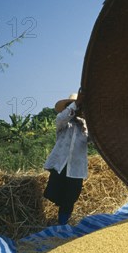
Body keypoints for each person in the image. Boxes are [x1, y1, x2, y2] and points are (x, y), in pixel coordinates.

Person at [43, 92, 88, 225]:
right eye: (73, 105)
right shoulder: (63, 123)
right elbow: (61, 118)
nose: (77, 108)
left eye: (80, 106)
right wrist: (76, 103)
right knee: (54, 193)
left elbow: (93, 139)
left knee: (70, 198)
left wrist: (86, 124)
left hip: (75, 169)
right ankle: (59, 218)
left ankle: (62, 223)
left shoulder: (85, 126)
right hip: (60, 165)